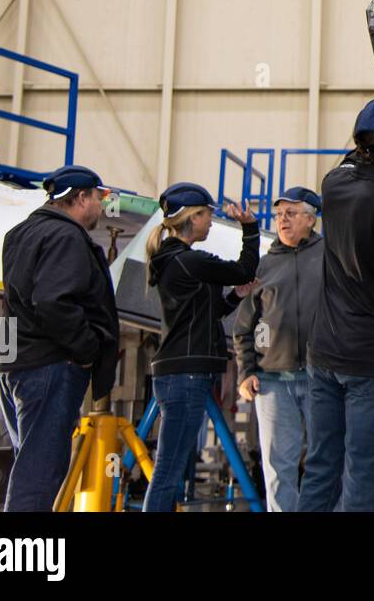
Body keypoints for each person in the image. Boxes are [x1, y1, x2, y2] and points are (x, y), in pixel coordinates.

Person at [299, 96, 374, 512]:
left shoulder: (332, 185)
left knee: (320, 469)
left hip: (325, 354)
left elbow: (356, 161)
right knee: (363, 479)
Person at [0, 165, 119, 511]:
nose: (100, 206)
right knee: (38, 478)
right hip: (50, 365)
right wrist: (86, 350)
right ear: (80, 198)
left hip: (16, 362)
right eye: (98, 197)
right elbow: (53, 302)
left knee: (29, 466)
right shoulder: (66, 237)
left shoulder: (19, 233)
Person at [142, 182, 258, 512]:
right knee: (168, 470)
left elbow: (211, 312)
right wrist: (249, 229)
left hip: (179, 372)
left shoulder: (173, 262)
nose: (210, 222)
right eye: (207, 215)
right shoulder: (188, 261)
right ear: (193, 218)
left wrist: (235, 296)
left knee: (169, 466)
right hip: (186, 375)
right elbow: (244, 268)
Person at [234, 186, 325, 512]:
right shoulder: (264, 266)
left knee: (325, 461)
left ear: (310, 218)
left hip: (322, 379)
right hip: (272, 382)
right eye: (279, 214)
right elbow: (243, 328)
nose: (282, 220)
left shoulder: (331, 257)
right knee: (278, 466)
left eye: (290, 213)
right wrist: (246, 373)